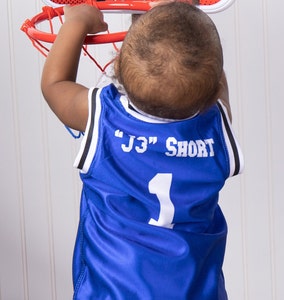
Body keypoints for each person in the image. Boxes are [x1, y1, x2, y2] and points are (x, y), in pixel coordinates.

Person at [41, 2, 243, 299]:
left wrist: (77, 22)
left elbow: (54, 83)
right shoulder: (216, 126)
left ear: (114, 67)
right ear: (216, 91)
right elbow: (209, 79)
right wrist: (177, 14)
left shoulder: (104, 119)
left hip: (112, 291)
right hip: (197, 291)